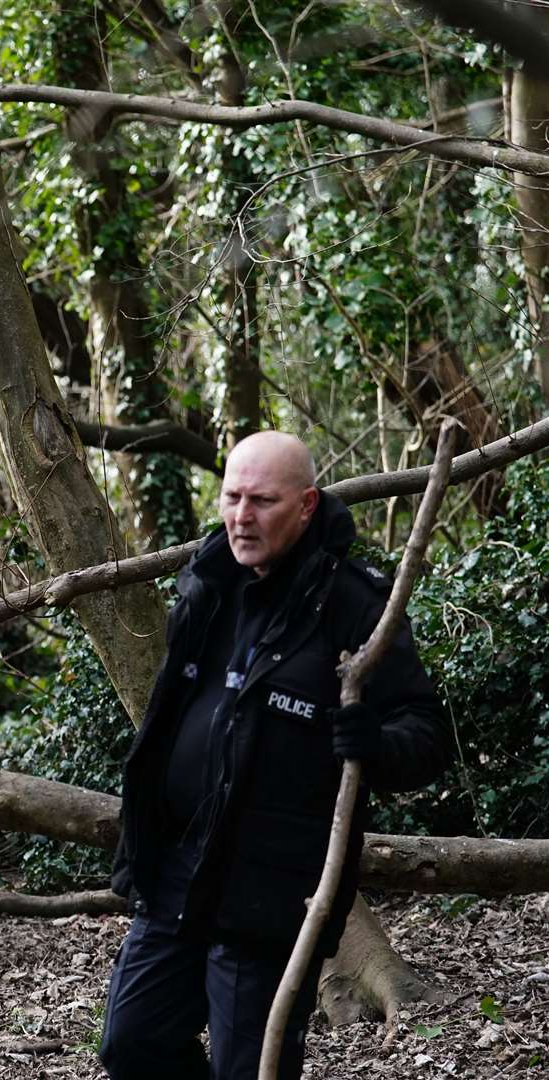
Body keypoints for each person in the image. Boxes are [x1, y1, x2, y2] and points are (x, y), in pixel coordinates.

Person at [100, 431, 450, 1080]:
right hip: (177, 871)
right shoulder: (207, 583)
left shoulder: (351, 602)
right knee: (131, 1043)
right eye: (232, 497)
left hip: (273, 896)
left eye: (262, 501)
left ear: (308, 506)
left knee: (249, 1071)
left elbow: (427, 735)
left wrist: (374, 745)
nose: (240, 515)